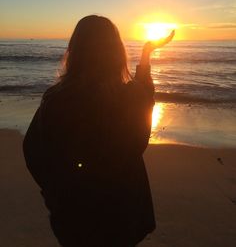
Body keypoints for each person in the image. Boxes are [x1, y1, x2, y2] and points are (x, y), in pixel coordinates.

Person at [23, 15, 174, 247]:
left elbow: (33, 152)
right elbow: (140, 127)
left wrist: (54, 194)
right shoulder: (126, 99)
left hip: (74, 217)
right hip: (120, 215)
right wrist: (146, 54)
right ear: (116, 54)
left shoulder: (56, 99)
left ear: (74, 50)